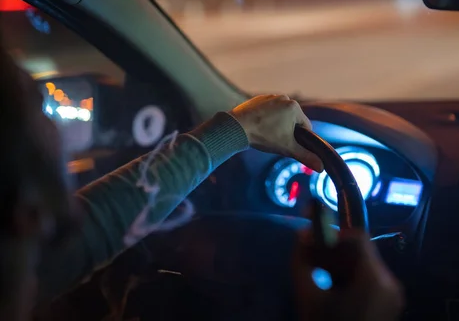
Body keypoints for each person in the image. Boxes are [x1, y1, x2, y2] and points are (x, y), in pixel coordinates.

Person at [0, 46, 403, 321]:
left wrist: (238, 131)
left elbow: (93, 231)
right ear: (32, 215)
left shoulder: (30, 263)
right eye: (44, 112)